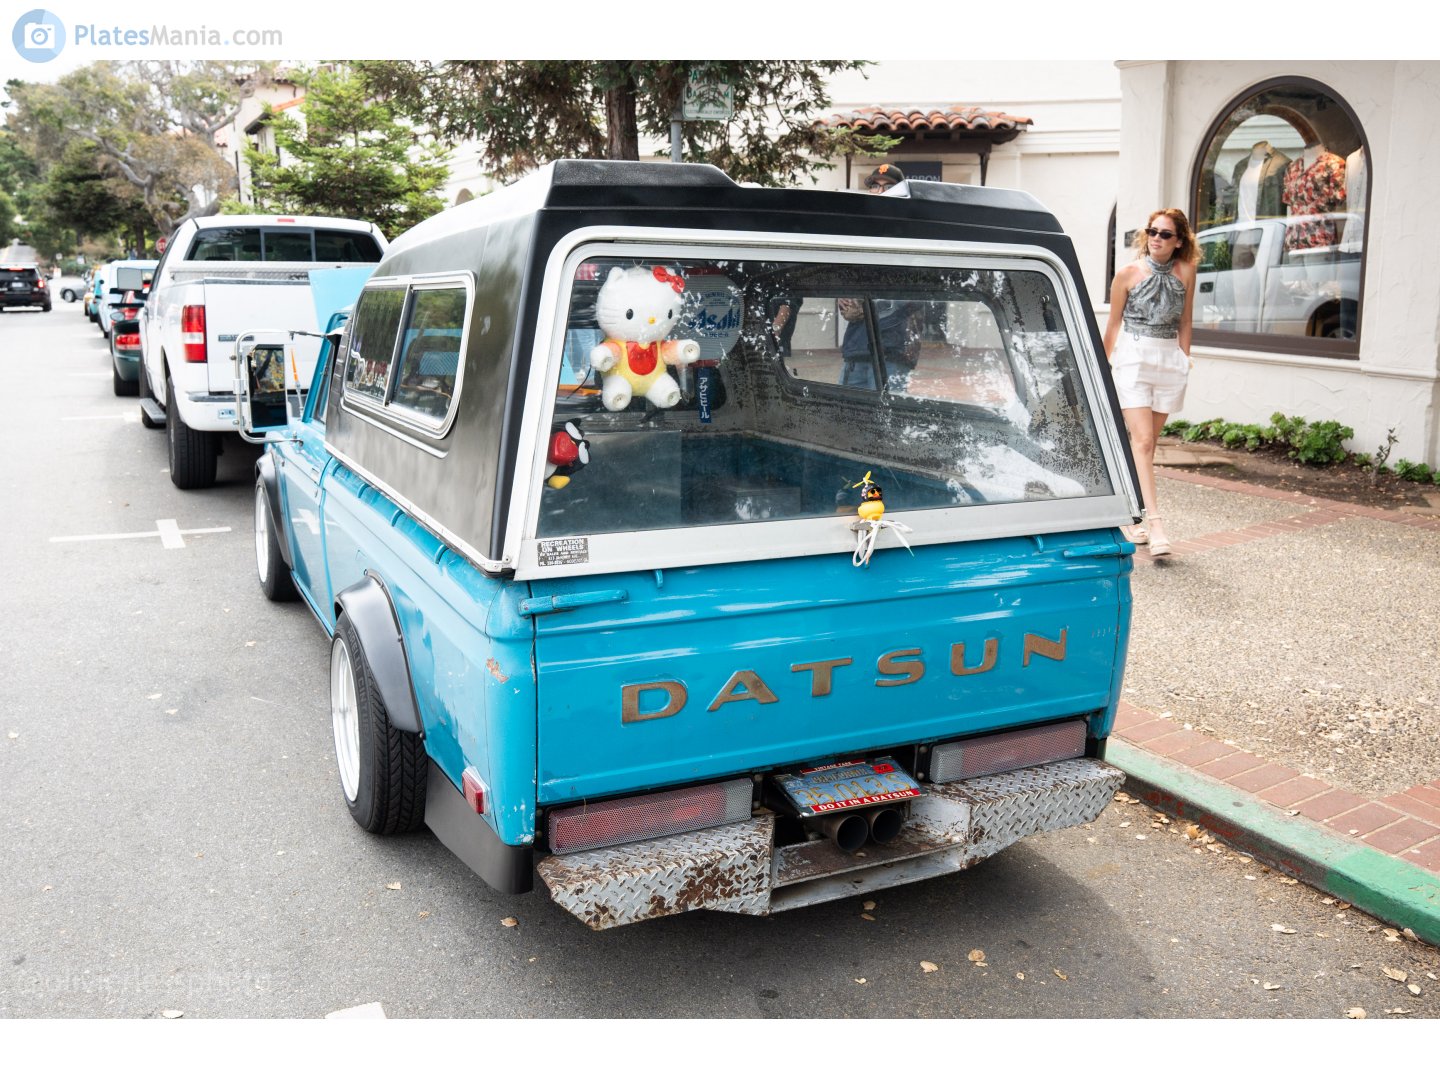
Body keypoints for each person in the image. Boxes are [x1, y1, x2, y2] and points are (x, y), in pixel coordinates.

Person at [1103, 208, 1198, 557]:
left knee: (1148, 443)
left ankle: (1130, 514)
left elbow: (1186, 321)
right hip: (1134, 359)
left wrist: (1184, 359)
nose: (1156, 238)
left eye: (1165, 234)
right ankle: (1154, 523)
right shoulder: (1127, 274)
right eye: (1152, 231)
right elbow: (1113, 325)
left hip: (1169, 361)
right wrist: (1102, 367)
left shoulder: (1186, 271)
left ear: (1178, 242)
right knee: (1142, 442)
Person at [838, 165, 921, 389]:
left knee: (886, 420)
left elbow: (916, 293)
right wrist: (844, 299)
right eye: (875, 186)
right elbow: (846, 277)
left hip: (893, 349)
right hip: (857, 347)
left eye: (888, 187)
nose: (880, 191)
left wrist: (867, 308)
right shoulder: (862, 232)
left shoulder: (912, 232)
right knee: (845, 415)